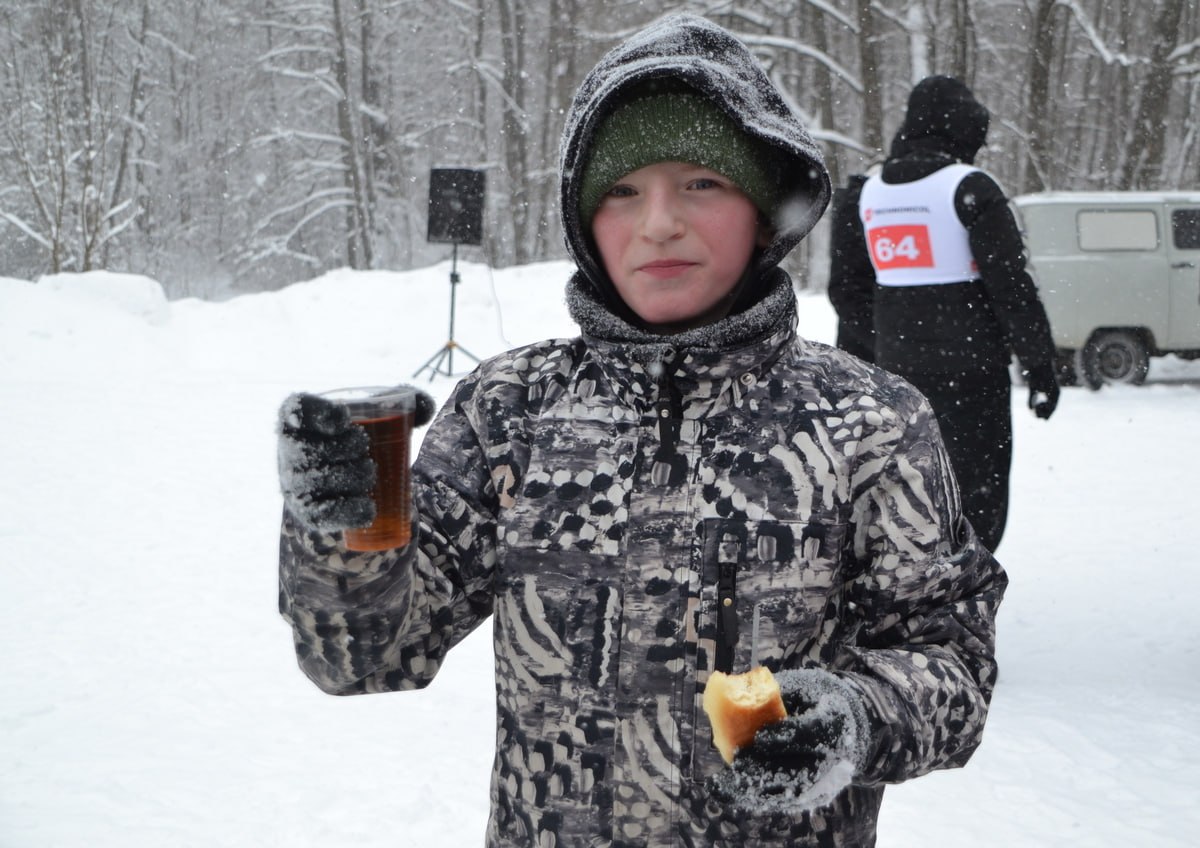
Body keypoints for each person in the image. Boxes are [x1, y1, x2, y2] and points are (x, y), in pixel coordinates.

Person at [276, 15, 1007, 847]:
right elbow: (364, 656)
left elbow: (952, 661)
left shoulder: (870, 423)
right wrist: (342, 533)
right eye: (621, 191)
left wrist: (858, 717)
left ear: (764, 209)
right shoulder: (509, 411)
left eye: (701, 182)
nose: (658, 223)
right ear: (584, 220)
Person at [827, 76, 1060, 552]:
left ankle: (910, 584)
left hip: (897, 379)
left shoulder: (867, 194)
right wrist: (1039, 363)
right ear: (967, 130)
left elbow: (846, 292)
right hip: (974, 379)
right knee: (977, 499)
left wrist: (888, 346)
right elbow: (1012, 287)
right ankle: (965, 580)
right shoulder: (970, 188)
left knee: (903, 496)